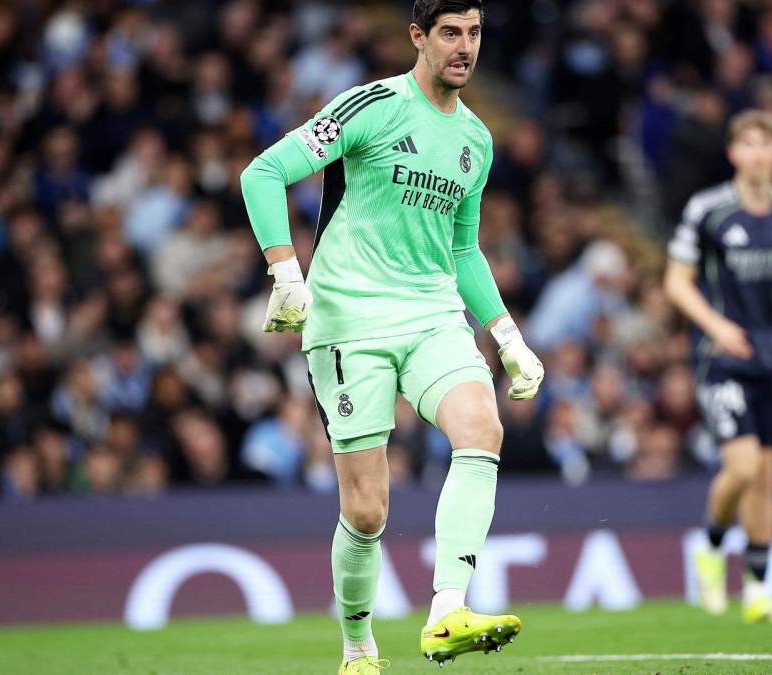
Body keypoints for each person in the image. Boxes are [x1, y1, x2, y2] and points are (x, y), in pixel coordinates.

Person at [239, 2, 544, 672]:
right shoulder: (371, 106)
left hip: (433, 314)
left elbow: (462, 251)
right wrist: (285, 271)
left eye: (475, 33)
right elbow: (261, 173)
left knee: (482, 427)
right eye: (450, 34)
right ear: (418, 37)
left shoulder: (477, 141)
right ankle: (357, 647)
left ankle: (446, 610)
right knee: (368, 510)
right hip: (350, 320)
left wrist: (507, 333)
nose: (465, 47)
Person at [664, 109, 772, 623]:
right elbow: (676, 281)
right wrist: (716, 327)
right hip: (721, 357)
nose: (757, 155)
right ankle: (710, 548)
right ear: (734, 153)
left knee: (767, 477)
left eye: (767, 145)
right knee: (744, 466)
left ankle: (758, 592)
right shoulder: (709, 209)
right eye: (748, 145)